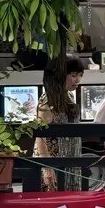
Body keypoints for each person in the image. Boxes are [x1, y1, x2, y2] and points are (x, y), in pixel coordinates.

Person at [35, 58, 86, 192]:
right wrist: (47, 167)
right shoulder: (49, 99)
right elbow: (40, 136)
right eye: (73, 75)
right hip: (53, 162)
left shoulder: (69, 96)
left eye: (80, 75)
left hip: (70, 159)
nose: (78, 80)